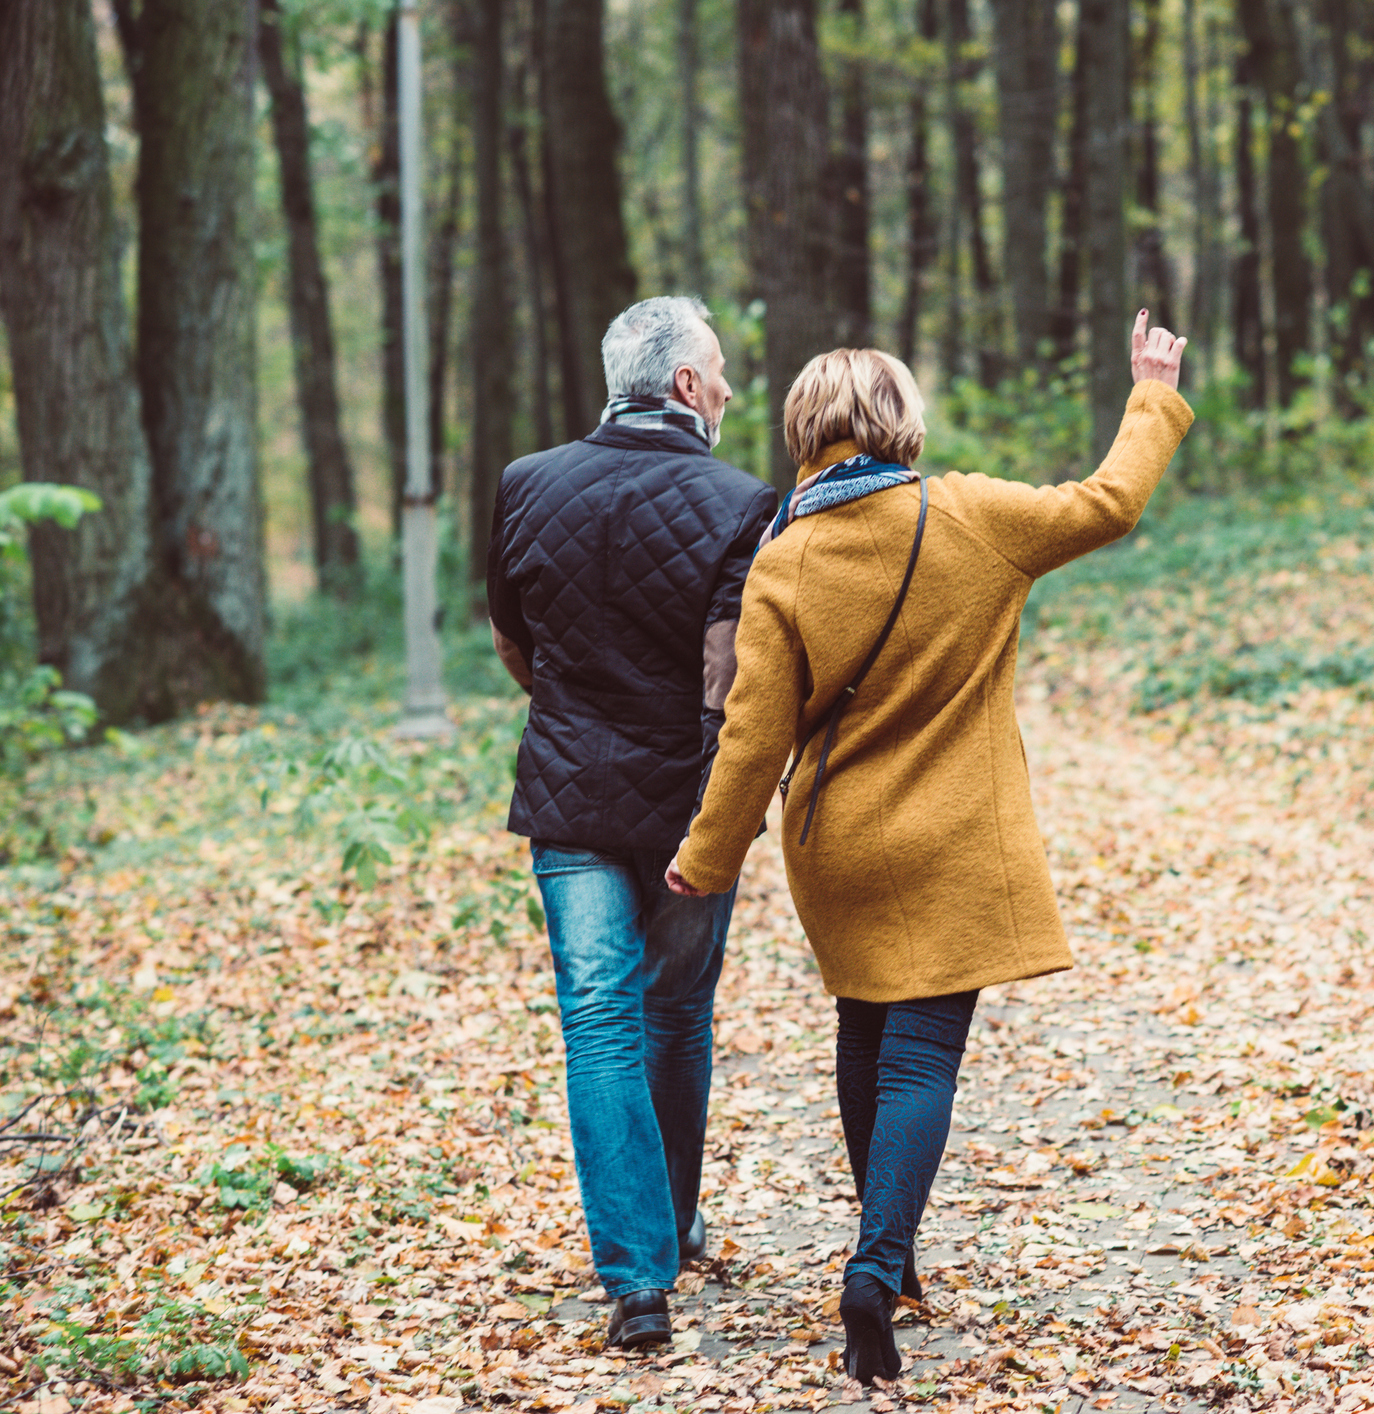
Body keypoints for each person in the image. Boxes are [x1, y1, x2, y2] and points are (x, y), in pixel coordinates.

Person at [664, 312, 1191, 1384]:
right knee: (921, 1056)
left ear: (806, 429)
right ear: (899, 419)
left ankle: (884, 1257)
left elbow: (754, 732)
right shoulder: (972, 516)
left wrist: (705, 857)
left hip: (839, 848)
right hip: (953, 839)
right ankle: (878, 1263)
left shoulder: (786, 558)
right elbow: (1109, 502)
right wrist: (1148, 392)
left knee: (865, 1032)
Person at [487, 296, 778, 1350]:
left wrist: (570, 707)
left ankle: (636, 1281)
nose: (733, 391)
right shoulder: (744, 500)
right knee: (674, 1010)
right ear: (688, 388)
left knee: (596, 1020)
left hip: (568, 793)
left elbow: (512, 638)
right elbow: (730, 677)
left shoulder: (526, 484)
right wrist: (724, 814)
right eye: (723, 372)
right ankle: (674, 1225)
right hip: (691, 804)